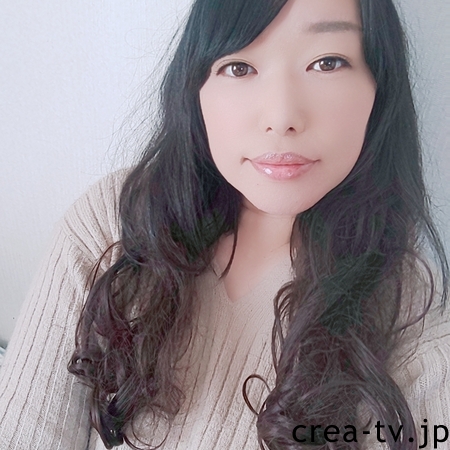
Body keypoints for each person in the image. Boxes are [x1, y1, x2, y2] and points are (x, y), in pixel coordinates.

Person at [0, 0, 449, 448]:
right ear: (196, 86)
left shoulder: (412, 313)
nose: (281, 118)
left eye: (327, 62)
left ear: (379, 85)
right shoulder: (114, 225)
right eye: (239, 67)